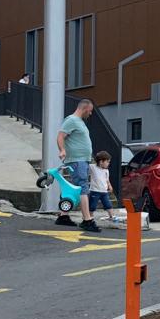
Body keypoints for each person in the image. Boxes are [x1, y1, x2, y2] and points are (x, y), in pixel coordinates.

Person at [56, 98, 100, 232]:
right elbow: (60, 136)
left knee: (73, 188)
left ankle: (63, 216)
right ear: (84, 108)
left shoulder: (79, 122)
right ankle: (87, 220)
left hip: (81, 160)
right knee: (82, 187)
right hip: (77, 160)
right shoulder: (71, 120)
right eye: (90, 111)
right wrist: (62, 150)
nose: (90, 114)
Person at [87, 151, 114, 216]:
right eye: (107, 162)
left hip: (104, 192)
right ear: (101, 162)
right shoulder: (93, 167)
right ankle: (90, 216)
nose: (108, 163)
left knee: (108, 205)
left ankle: (112, 216)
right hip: (94, 191)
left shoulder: (106, 170)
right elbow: (86, 166)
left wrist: (109, 186)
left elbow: (107, 179)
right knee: (92, 206)